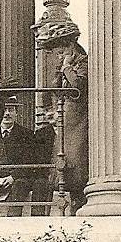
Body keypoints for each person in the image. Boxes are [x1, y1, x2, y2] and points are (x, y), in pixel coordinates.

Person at [43, 22, 89, 212]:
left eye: (62, 52)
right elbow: (52, 91)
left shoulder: (83, 63)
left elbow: (78, 88)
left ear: (72, 48)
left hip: (79, 120)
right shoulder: (63, 66)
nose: (59, 57)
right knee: (64, 163)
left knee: (77, 163)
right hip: (65, 121)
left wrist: (67, 68)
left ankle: (80, 205)